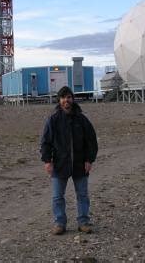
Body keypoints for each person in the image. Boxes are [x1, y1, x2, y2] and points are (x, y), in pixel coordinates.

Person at [40, 86, 98, 235]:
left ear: (73, 99)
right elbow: (45, 142)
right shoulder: (53, 120)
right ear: (59, 100)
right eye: (64, 97)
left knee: (82, 195)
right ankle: (60, 223)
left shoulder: (82, 119)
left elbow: (91, 141)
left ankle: (83, 222)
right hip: (60, 164)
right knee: (57, 196)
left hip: (80, 164)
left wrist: (89, 160)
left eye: (69, 97)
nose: (67, 100)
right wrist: (47, 161)